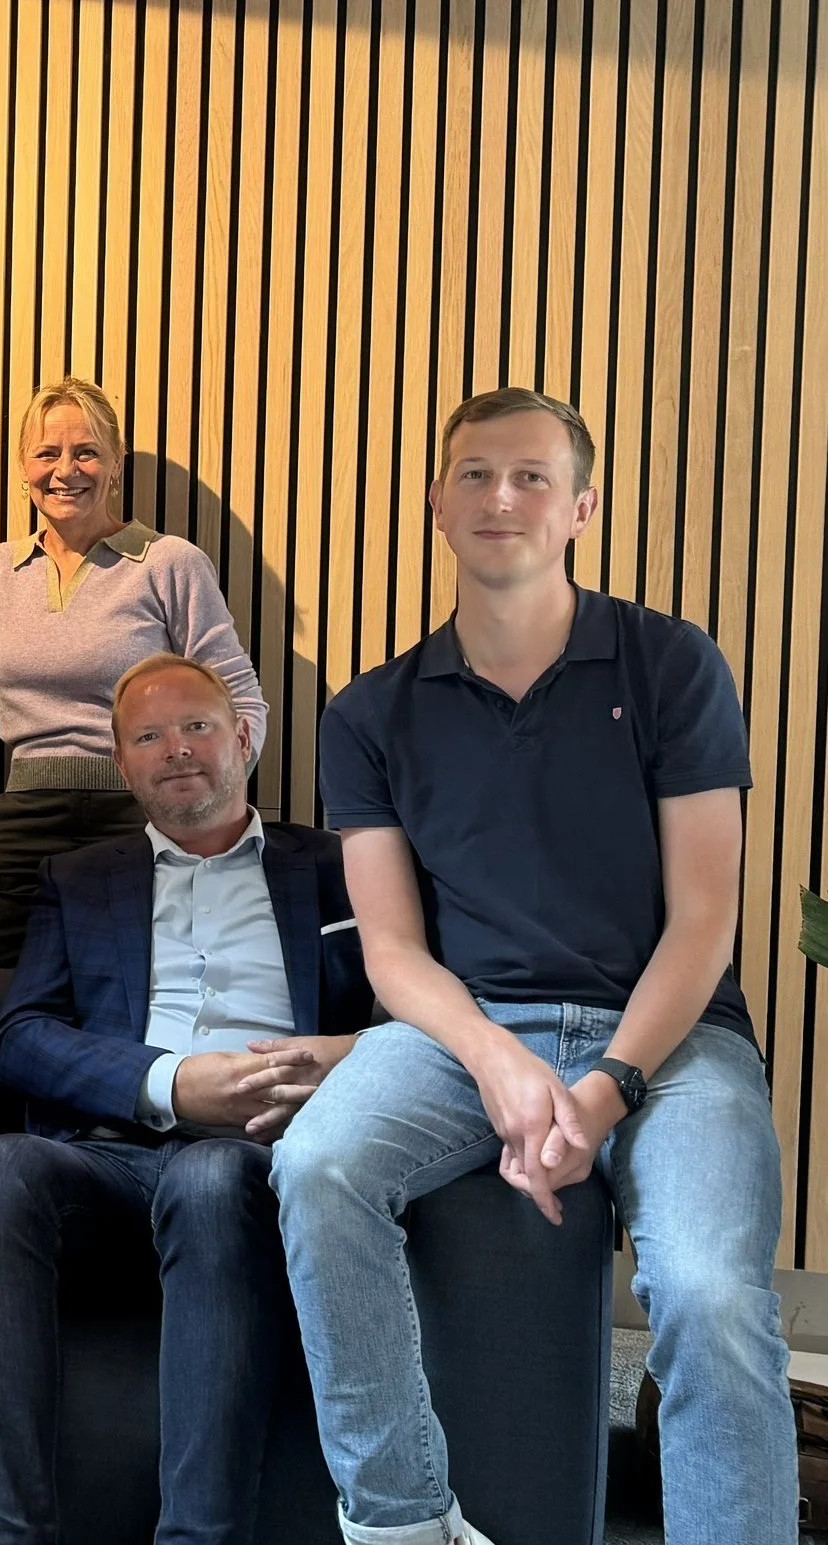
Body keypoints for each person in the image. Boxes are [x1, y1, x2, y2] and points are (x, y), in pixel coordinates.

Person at [273, 388, 795, 1545]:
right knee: (317, 1167)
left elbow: (704, 922)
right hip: (464, 1028)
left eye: (530, 477)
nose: (498, 497)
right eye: (473, 474)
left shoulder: (670, 664)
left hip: (673, 1036)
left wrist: (605, 1086)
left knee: (707, 1293)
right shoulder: (369, 712)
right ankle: (404, 1520)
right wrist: (495, 1059)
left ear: (579, 508)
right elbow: (392, 950)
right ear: (434, 503)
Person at [0, 652, 373, 1545]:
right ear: (122, 762)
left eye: (196, 726)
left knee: (209, 1178)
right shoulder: (77, 876)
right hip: (111, 1155)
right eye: (148, 736)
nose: (176, 749)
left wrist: (342, 1058)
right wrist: (168, 1081)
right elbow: (20, 1036)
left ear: (244, 738)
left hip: (263, 1156)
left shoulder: (340, 867)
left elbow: (425, 1017)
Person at [0, 378, 266, 971]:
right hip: (20, 828)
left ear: (115, 464)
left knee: (127, 991)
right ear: (24, 468)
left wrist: (201, 810)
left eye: (86, 452)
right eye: (47, 453)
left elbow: (239, 701)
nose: (66, 470)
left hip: (140, 819)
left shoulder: (169, 563)